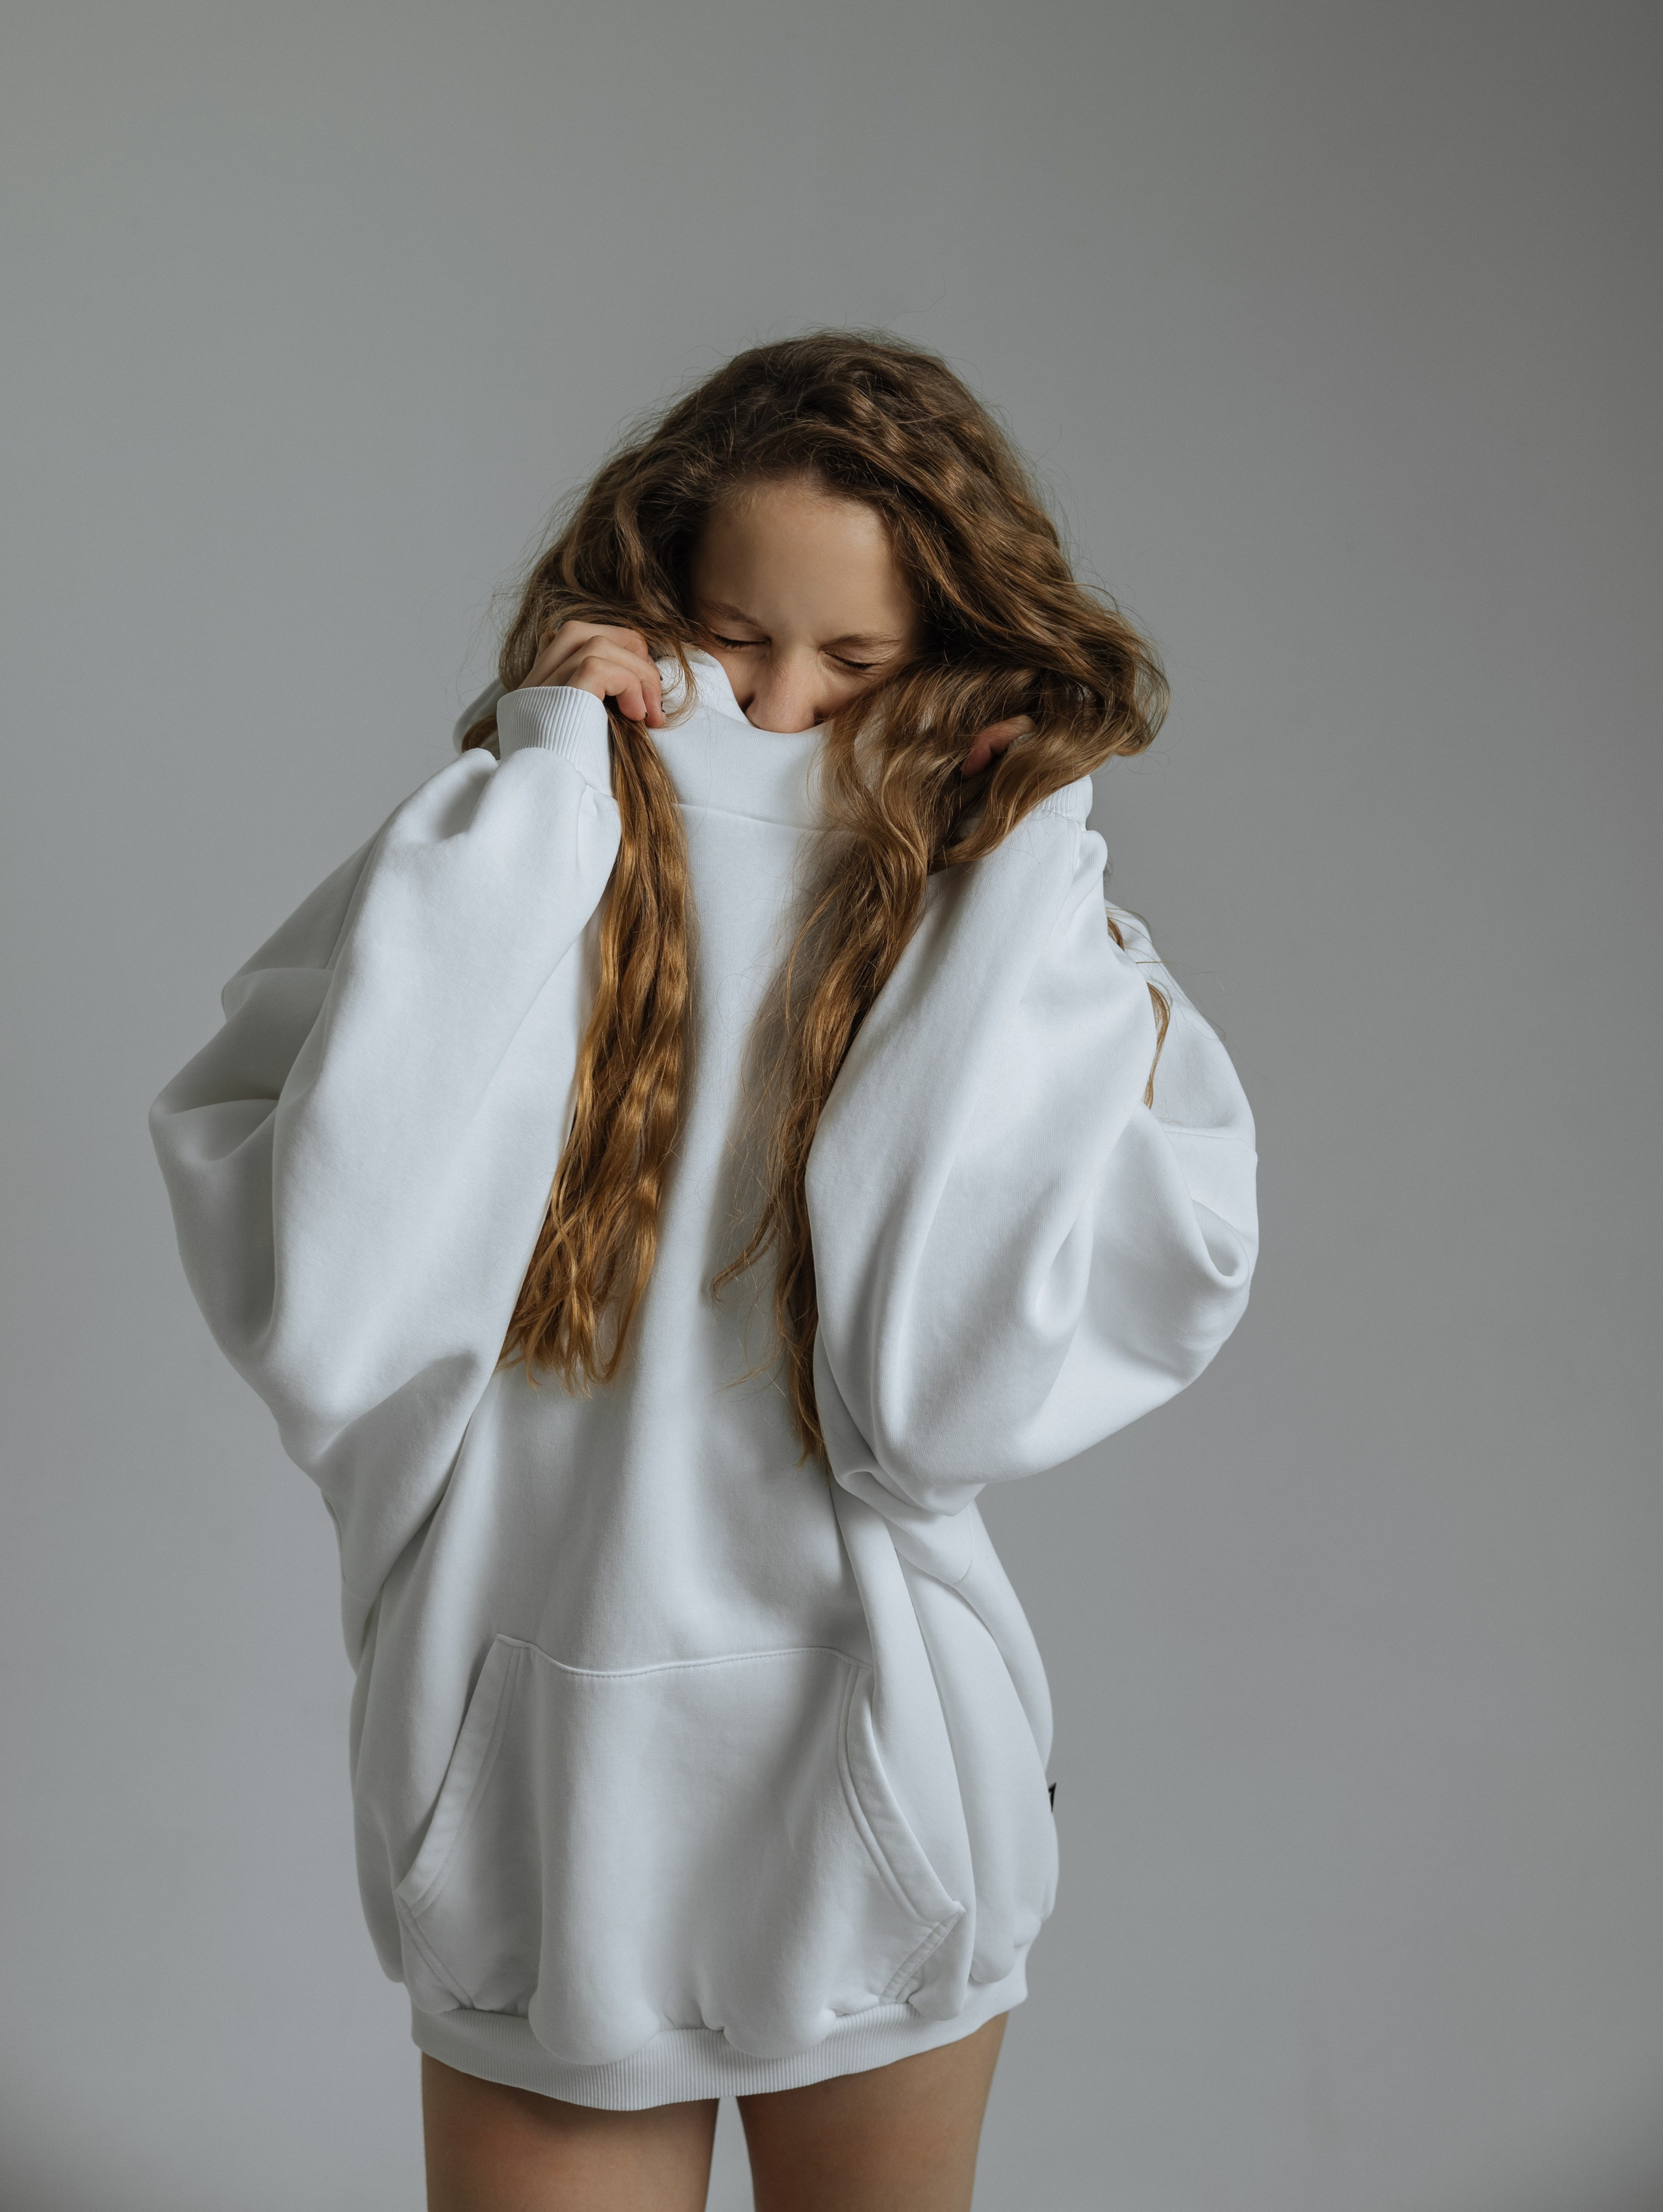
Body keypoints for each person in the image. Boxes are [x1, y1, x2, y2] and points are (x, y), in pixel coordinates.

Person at [150, 331, 1258, 2211]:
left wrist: (1019, 861)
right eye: (738, 641)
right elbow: (329, 1286)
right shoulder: (513, 848)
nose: (777, 707)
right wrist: (545, 779)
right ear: (655, 596)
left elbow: (933, 1399)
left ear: (952, 654)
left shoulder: (992, 898)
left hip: (882, 1783)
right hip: (527, 1821)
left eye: (856, 666)